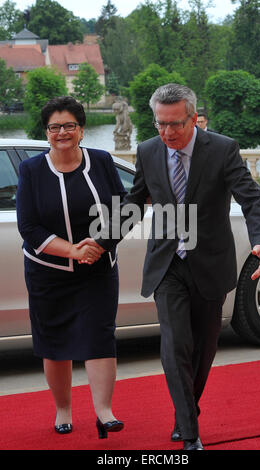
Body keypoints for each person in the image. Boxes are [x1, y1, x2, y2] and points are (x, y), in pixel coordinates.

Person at [79, 83, 260, 450]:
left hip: (210, 263)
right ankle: (189, 433)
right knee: (175, 345)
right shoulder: (149, 151)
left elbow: (251, 197)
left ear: (194, 119)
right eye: (160, 124)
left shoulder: (222, 149)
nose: (167, 133)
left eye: (175, 124)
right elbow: (135, 202)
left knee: (204, 348)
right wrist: (102, 241)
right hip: (167, 264)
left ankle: (186, 410)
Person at [16, 96, 125, 439]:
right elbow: (29, 227)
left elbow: (124, 211)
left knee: (99, 335)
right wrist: (73, 252)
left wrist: (99, 246)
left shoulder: (103, 162)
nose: (61, 132)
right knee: (54, 342)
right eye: (54, 127)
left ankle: (104, 412)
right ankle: (63, 410)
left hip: (98, 267)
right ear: (46, 132)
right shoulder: (31, 170)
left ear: (81, 130)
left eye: (69, 126)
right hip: (48, 272)